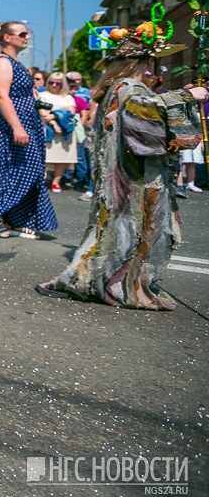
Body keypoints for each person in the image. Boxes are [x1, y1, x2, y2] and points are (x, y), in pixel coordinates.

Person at [37, 24, 206, 309]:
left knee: (121, 229)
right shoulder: (128, 86)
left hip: (124, 175)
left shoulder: (119, 87)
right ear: (144, 63)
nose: (157, 71)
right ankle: (110, 282)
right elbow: (144, 117)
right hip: (132, 177)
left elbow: (146, 109)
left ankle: (107, 279)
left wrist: (179, 96)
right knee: (128, 228)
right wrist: (188, 97)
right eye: (154, 65)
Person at [0, 21, 57, 239]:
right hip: (14, 123)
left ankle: (15, 219)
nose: (27, 37)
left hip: (28, 120)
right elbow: (1, 96)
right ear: (7, 38)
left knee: (32, 170)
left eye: (27, 34)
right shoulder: (2, 62)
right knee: (18, 169)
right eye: (22, 34)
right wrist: (17, 126)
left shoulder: (15, 62)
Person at [38, 72, 77, 192]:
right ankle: (41, 181)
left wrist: (54, 116)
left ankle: (56, 182)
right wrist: (54, 124)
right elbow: (42, 111)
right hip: (47, 129)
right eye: (51, 82)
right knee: (44, 156)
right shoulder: (43, 95)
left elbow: (71, 111)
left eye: (58, 83)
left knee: (62, 157)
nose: (54, 85)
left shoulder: (67, 97)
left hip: (65, 129)